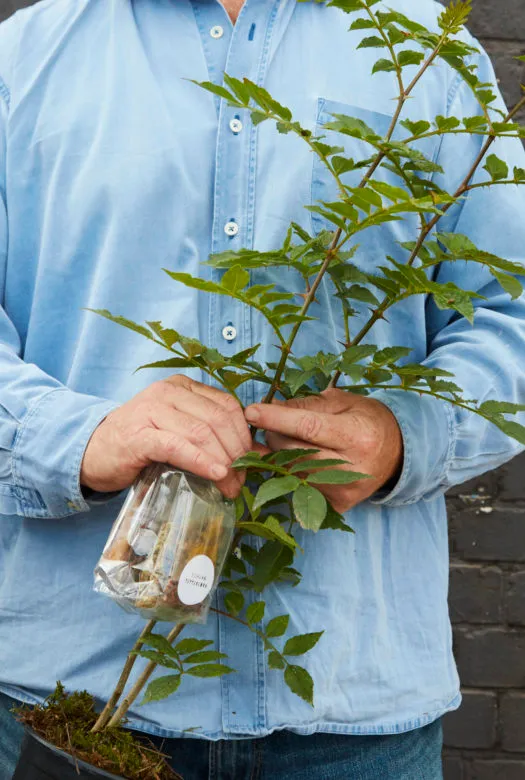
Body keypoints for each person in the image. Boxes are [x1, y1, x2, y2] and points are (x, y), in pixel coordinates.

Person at [0, 0, 524, 777]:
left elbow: (507, 315)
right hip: (68, 697)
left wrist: (403, 433)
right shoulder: (23, 56)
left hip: (352, 714)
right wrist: (76, 437)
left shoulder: (429, 60)